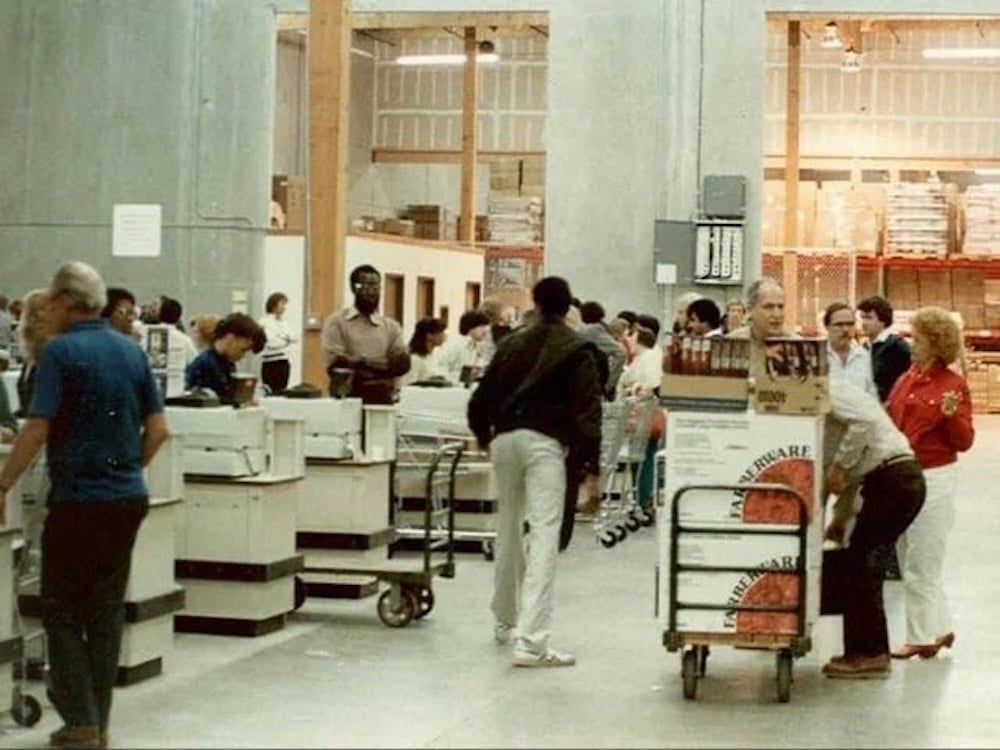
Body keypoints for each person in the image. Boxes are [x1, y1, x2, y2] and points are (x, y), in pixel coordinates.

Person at [0, 261, 168, 748]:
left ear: (66, 301)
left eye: (51, 301)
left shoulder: (60, 353)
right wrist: (125, 469)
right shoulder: (131, 351)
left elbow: (37, 428)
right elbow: (158, 430)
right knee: (105, 610)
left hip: (78, 502)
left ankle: (80, 721)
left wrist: (3, 485)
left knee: (62, 608)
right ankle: (100, 721)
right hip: (127, 499)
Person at [468, 276, 602, 668]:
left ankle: (505, 621)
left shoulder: (511, 343)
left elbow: (480, 398)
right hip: (545, 445)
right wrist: (590, 468)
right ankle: (532, 642)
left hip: (505, 440)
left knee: (507, 528)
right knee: (543, 534)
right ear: (567, 308)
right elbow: (587, 412)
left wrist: (483, 435)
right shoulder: (578, 349)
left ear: (536, 304)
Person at [885, 306, 974, 661]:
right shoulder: (908, 378)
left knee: (922, 559)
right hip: (905, 473)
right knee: (911, 552)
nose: (911, 344)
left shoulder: (953, 386)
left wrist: (951, 417)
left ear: (936, 345)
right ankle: (939, 627)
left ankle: (919, 636)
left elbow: (964, 441)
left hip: (935, 478)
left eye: (918, 339)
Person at [821, 379, 926, 679]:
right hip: (896, 480)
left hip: (893, 479)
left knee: (862, 564)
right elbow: (850, 480)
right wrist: (839, 520)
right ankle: (867, 651)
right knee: (863, 562)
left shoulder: (830, 390)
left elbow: (863, 427)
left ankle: (870, 654)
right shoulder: (827, 402)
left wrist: (840, 465)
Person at [322, 264, 410, 403]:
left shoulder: (391, 326)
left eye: (376, 287)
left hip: (384, 400)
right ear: (354, 288)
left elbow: (402, 365)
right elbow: (337, 365)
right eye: (366, 286)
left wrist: (361, 362)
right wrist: (383, 366)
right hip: (348, 401)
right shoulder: (337, 322)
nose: (372, 293)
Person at [185, 312, 265, 404]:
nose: (242, 356)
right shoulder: (205, 364)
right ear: (230, 338)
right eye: (242, 350)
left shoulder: (227, 363)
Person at [726, 277, 793, 372]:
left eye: (781, 307)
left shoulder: (797, 345)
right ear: (750, 310)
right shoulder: (732, 344)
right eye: (768, 307)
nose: (777, 314)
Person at [858, 295, 911, 403]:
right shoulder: (864, 347)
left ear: (883, 320)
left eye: (869, 318)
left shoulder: (897, 346)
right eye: (862, 317)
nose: (864, 322)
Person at [14, 288, 50, 419]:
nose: (39, 316)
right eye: (32, 312)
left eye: (44, 310)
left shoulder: (54, 356)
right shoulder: (30, 358)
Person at [578, 301, 627, 399]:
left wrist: (609, 384)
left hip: (593, 383)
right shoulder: (598, 329)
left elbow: (620, 353)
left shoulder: (592, 331)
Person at [824, 302, 875, 394]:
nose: (845, 329)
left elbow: (870, 392)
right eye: (839, 325)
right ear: (827, 327)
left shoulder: (864, 356)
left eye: (850, 324)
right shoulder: (818, 357)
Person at [258, 292, 298, 394]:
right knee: (270, 392)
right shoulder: (264, 322)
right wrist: (286, 340)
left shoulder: (284, 322)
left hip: (283, 361)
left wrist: (283, 338)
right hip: (269, 362)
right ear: (274, 304)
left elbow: (294, 337)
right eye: (282, 304)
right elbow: (271, 342)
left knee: (282, 391)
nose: (284, 307)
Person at [436, 310, 490, 384]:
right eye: (481, 326)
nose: (485, 330)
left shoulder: (478, 347)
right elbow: (440, 368)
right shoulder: (456, 345)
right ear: (470, 327)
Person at [400, 317, 448, 386]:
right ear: (429, 335)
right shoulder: (415, 359)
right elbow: (409, 385)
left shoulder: (432, 357)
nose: (444, 336)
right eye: (441, 332)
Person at [158, 297, 197, 367]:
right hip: (178, 376)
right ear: (178, 317)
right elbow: (195, 364)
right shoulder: (185, 340)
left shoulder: (146, 336)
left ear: (160, 313)